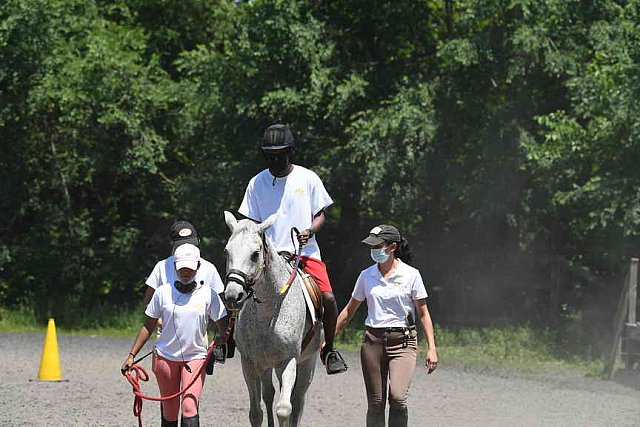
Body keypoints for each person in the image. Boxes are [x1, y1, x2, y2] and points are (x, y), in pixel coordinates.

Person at [238, 123, 348, 374]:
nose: (275, 159)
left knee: (329, 298)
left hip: (304, 254)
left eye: (280, 154)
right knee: (236, 290)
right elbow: (251, 224)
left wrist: (310, 230)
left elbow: (320, 215)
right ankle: (227, 341)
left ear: (290, 153)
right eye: (271, 155)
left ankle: (329, 349)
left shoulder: (307, 178)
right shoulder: (256, 183)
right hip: (267, 257)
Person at [335, 225, 438, 427]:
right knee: (376, 403)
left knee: (398, 398)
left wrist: (432, 348)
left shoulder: (411, 275)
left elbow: (424, 314)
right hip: (372, 343)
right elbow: (348, 311)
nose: (374, 250)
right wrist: (328, 340)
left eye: (378, 246)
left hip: (403, 343)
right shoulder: (366, 276)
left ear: (392, 247)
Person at [122, 243, 228, 427]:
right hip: (165, 359)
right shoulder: (162, 293)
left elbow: (224, 325)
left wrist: (221, 339)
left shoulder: (209, 295)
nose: (185, 272)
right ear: (175, 267)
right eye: (181, 269)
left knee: (189, 407)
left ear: (198, 267)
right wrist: (132, 355)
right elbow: (148, 326)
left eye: (189, 268)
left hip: (195, 357)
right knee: (170, 412)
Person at [143, 220, 224, 309]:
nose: (187, 247)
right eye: (182, 245)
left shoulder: (209, 268)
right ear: (174, 245)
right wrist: (159, 321)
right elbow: (148, 302)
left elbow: (219, 306)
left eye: (191, 243)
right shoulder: (161, 267)